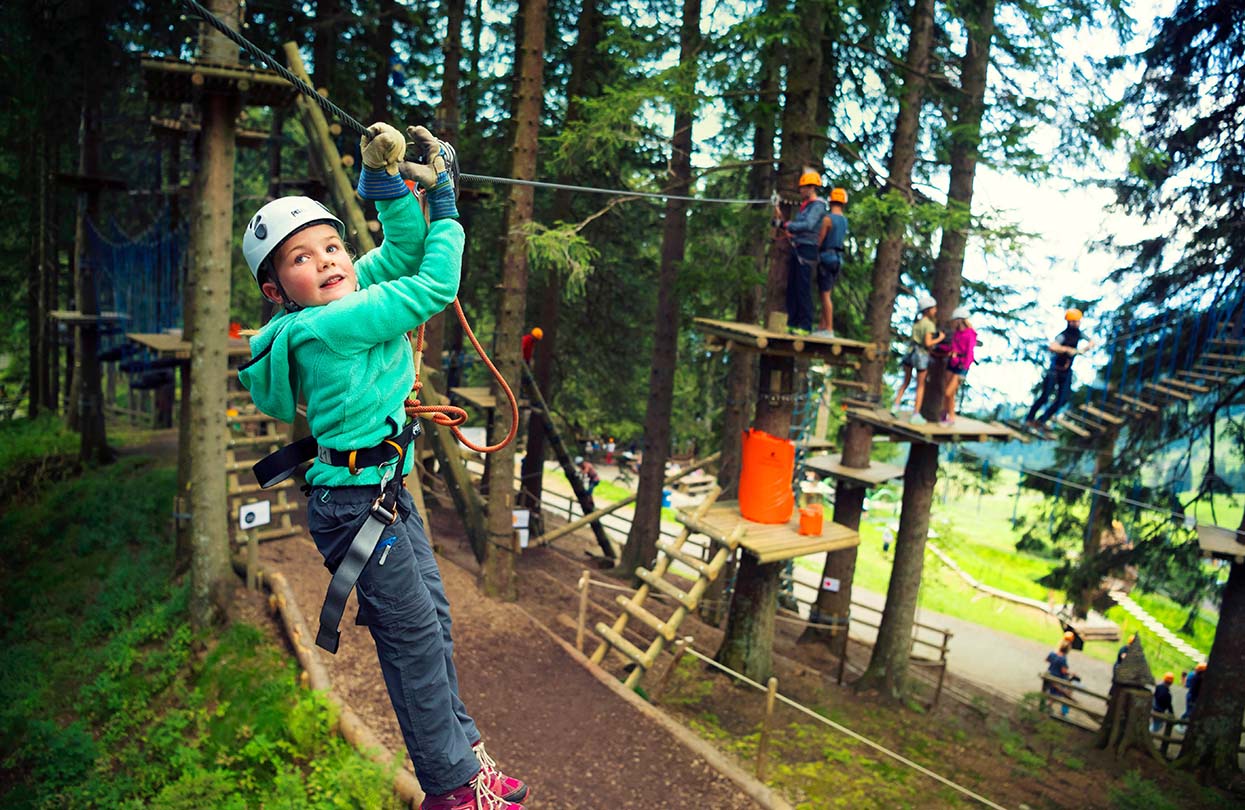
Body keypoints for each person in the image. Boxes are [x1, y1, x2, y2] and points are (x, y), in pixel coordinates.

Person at [238, 123, 527, 810]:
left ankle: (463, 755)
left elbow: (399, 250)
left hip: (380, 492)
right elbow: (433, 282)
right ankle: (452, 791)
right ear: (277, 290)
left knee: (432, 621)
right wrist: (447, 199)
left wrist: (382, 182)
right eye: (303, 258)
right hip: (357, 503)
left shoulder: (336, 296)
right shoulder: (325, 323)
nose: (331, 261)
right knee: (414, 642)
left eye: (332, 245)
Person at [774, 169, 828, 334]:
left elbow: (809, 225)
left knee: (803, 287)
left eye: (803, 188)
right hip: (798, 246)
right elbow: (800, 227)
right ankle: (793, 322)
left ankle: (805, 325)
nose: (801, 191)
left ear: (811, 188)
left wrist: (787, 226)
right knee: (793, 286)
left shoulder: (818, 206)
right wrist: (786, 227)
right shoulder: (806, 207)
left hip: (807, 250)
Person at [1026, 309, 1094, 426]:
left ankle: (1041, 420)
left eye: (1078, 321)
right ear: (1070, 322)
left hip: (1066, 372)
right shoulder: (1063, 335)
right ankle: (1029, 419)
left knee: (1063, 399)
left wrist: (1083, 350)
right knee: (1045, 396)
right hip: (1055, 371)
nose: (1077, 323)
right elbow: (1052, 347)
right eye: (1075, 321)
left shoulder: (1079, 334)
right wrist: (1068, 350)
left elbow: (1092, 342)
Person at [892, 296, 944, 424]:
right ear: (928, 309)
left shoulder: (917, 323)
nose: (936, 310)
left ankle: (896, 405)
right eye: (934, 308)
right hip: (920, 356)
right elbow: (927, 343)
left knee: (906, 382)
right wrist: (940, 338)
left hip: (910, 354)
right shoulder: (929, 325)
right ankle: (915, 414)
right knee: (920, 386)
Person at [813, 187, 849, 336]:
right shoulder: (844, 220)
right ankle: (823, 326)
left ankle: (828, 329)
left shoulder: (828, 219)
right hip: (838, 259)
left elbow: (820, 239)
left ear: (831, 200)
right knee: (826, 293)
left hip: (826, 258)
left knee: (825, 295)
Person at [942, 306, 977, 425]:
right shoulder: (957, 333)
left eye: (955, 320)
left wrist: (965, 369)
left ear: (960, 319)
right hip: (952, 363)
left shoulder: (970, 333)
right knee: (950, 393)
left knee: (948, 392)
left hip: (961, 366)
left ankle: (950, 415)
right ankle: (948, 416)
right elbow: (953, 347)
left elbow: (970, 352)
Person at [1045, 641, 1076, 716]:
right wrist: (1072, 673)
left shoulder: (1053, 654)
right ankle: (1064, 712)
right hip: (1058, 679)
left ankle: (1048, 706)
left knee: (1055, 694)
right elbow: (1064, 671)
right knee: (1068, 692)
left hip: (1050, 676)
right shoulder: (1063, 659)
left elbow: (1046, 660)